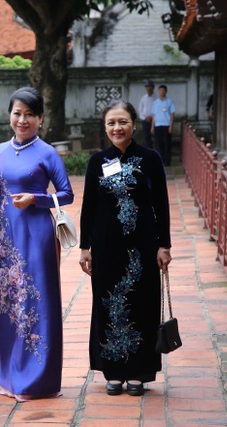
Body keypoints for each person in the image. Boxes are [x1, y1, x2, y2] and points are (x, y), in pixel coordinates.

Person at [0, 87, 74, 401]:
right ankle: (7, 375)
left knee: (36, 303)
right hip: (7, 241)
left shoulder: (47, 153)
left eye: (29, 114)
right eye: (17, 113)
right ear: (10, 115)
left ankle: (36, 380)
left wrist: (38, 199)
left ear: (40, 119)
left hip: (37, 237)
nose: (22, 120)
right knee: (7, 302)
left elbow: (67, 194)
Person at [79, 99, 172, 397]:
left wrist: (164, 244)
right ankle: (113, 371)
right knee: (108, 304)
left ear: (134, 124)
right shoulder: (98, 162)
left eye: (122, 122)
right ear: (105, 127)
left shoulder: (151, 159)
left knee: (142, 303)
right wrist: (85, 247)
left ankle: (139, 372)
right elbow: (89, 208)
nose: (117, 128)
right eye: (111, 123)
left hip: (142, 248)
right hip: (106, 248)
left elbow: (162, 205)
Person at [150, 84, 176, 166]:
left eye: (163, 90)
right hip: (158, 125)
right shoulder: (155, 102)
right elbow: (153, 115)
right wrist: (152, 126)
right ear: (158, 91)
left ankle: (167, 161)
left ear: (166, 91)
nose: (161, 92)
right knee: (158, 144)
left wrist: (171, 126)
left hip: (166, 125)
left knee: (167, 143)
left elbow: (172, 114)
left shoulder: (169, 102)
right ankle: (160, 160)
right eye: (160, 90)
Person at [138, 80, 157, 148]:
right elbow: (140, 110)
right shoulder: (143, 98)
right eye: (147, 87)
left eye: (150, 87)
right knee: (146, 136)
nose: (148, 89)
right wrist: (144, 118)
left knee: (155, 137)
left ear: (153, 88)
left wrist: (152, 117)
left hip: (154, 120)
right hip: (145, 120)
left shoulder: (156, 98)